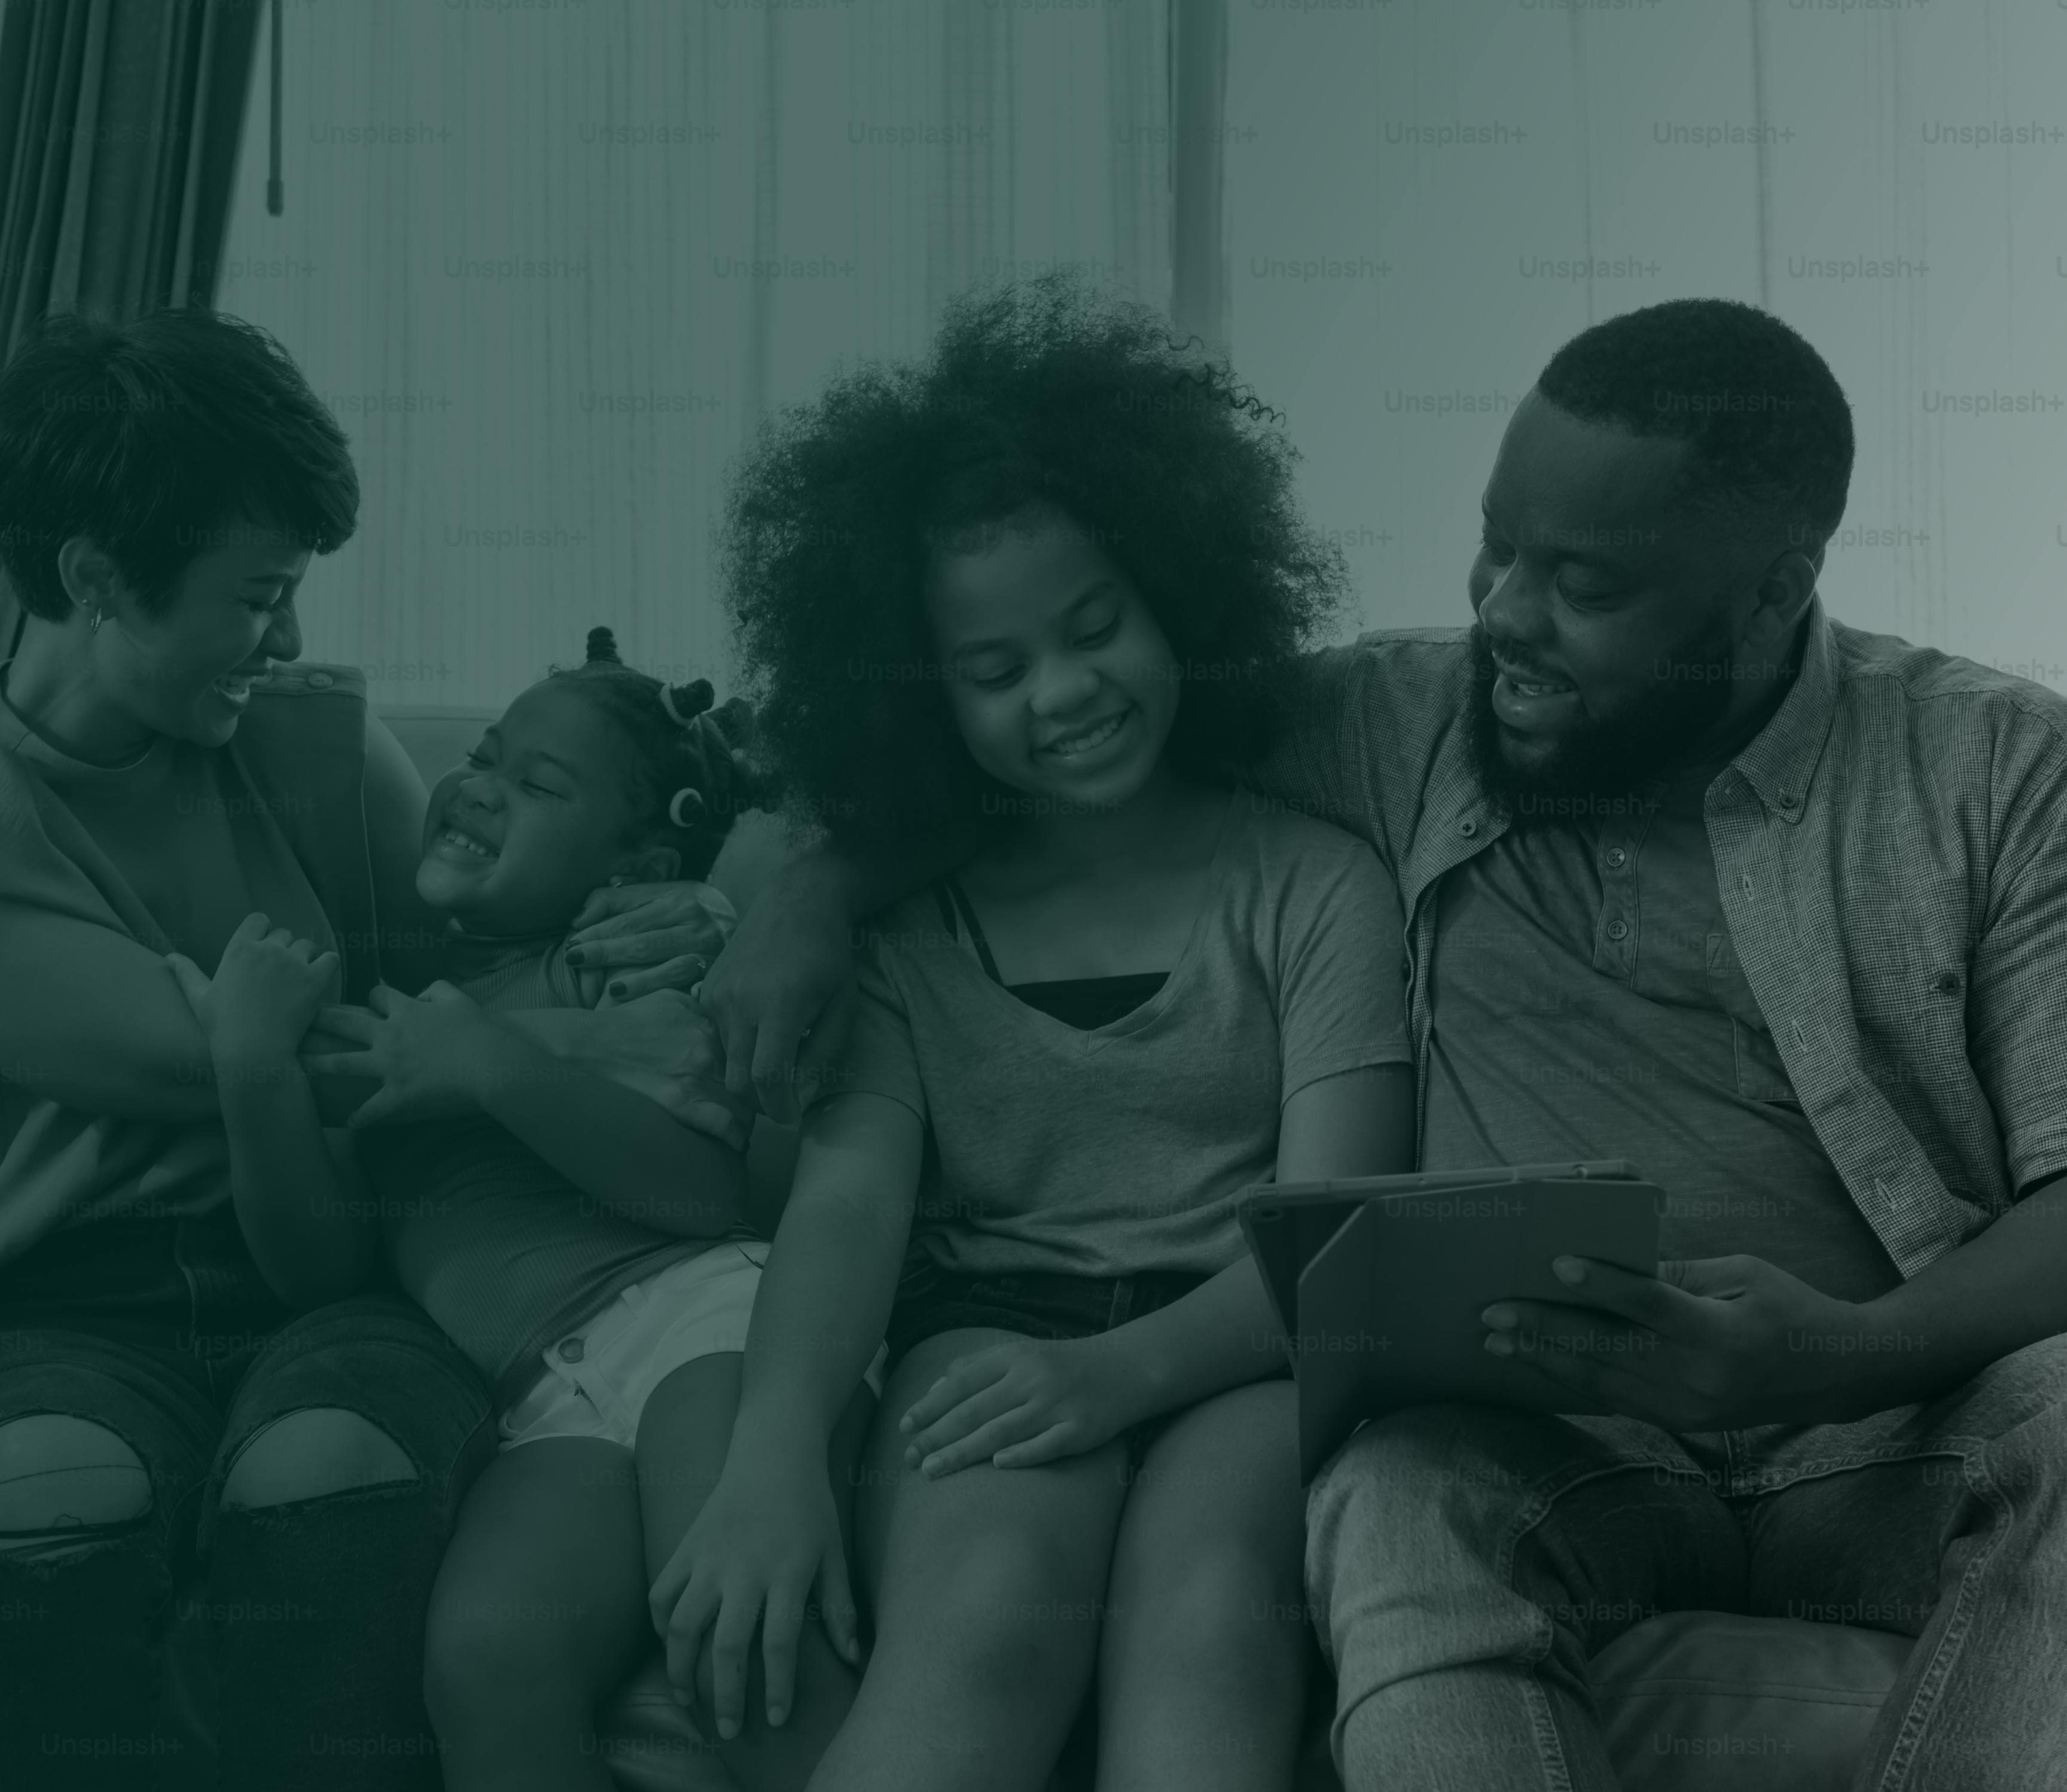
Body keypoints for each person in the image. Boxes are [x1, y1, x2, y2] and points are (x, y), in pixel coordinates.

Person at [696, 296, 2067, 1792]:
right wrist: (810, 883)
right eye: (1498, 547)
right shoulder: (1406, 714)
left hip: (1887, 1422)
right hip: (1545, 1431)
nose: (1503, 615)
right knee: (1396, 1494)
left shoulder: (1995, 769)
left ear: (1771, 590)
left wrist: (1834, 1349)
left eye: (1581, 583)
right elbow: (1053, 773)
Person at [655, 279, 1417, 1792]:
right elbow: (850, 1198)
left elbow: (1336, 1237)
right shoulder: (901, 928)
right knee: (989, 1612)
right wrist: (775, 1452)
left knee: (1209, 1610)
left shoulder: (1314, 882)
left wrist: (1123, 1375)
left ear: (1180, 597)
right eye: (996, 673)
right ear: (924, 693)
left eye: (1095, 630)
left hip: (1241, 1344)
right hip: (986, 1332)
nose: (1064, 695)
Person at [0, 309, 736, 1790]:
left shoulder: (313, 744)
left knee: (332, 1472)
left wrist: (706, 905)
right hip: (75, 1302)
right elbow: (205, 1056)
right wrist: (489, 1042)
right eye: (255, 595)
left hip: (352, 1267)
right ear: (93, 579)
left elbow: (505, 937)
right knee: (45, 1494)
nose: (285, 639)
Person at [173, 624, 874, 1792]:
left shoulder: (609, 961)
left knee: (742, 1640)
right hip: (545, 1389)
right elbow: (320, 1266)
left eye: (537, 784)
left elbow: (706, 1196)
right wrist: (252, 1075)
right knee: (489, 1657)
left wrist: (497, 1064)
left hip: (709, 1322)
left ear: (630, 863)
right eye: (489, 756)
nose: (481, 789)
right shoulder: (402, 1013)